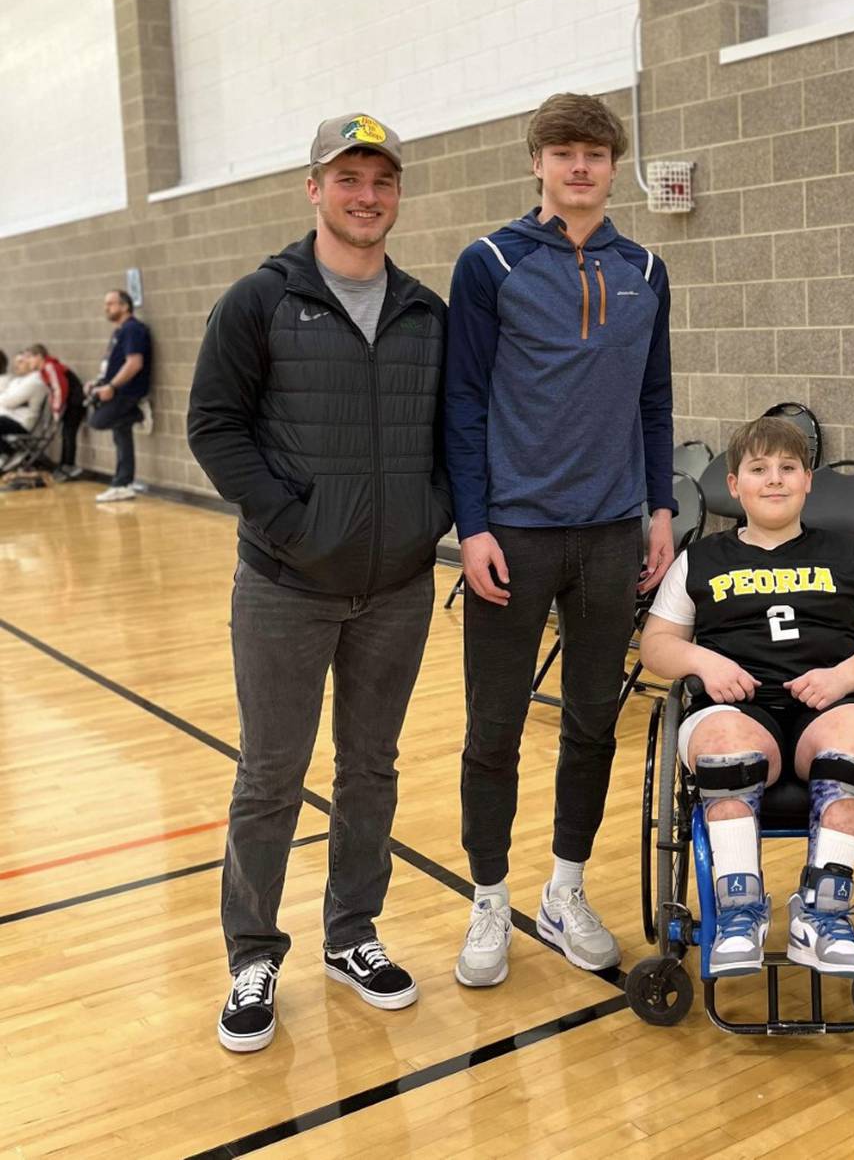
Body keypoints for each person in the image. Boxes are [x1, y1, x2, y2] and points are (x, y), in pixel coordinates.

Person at [188, 112, 452, 1053]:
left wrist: (432, 518)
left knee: (371, 769)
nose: (366, 195)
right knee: (271, 774)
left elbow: (452, 436)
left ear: (396, 195)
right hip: (285, 586)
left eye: (381, 181)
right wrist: (292, 524)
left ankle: (352, 934)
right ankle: (252, 954)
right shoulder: (259, 301)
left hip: (398, 587)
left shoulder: (427, 311)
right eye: (348, 179)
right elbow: (214, 426)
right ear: (314, 189)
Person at [447, 92, 674, 988]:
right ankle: (490, 897)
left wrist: (659, 509)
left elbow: (654, 402)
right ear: (536, 162)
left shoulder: (648, 269)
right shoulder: (489, 262)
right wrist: (472, 527)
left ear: (614, 165)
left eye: (595, 153)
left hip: (614, 535)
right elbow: (462, 404)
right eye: (562, 152)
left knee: (591, 721)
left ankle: (566, 889)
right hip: (515, 537)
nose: (579, 167)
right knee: (492, 729)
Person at [640, 417, 854, 977]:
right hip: (736, 711)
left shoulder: (848, 554)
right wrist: (702, 660)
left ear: (807, 481)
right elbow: (657, 646)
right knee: (724, 743)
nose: (775, 480)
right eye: (759, 470)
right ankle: (739, 911)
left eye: (788, 469)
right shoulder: (701, 559)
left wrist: (842, 677)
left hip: (829, 709)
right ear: (734, 484)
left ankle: (823, 913)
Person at [86, 288, 153, 502]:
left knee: (98, 421)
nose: (106, 308)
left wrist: (112, 387)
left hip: (126, 392)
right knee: (120, 433)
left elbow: (134, 363)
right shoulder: (119, 331)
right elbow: (112, 364)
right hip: (116, 389)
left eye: (111, 303)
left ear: (125, 306)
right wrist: (98, 383)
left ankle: (136, 414)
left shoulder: (132, 329)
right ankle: (123, 483)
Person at [21, 344, 85, 478]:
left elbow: (60, 389)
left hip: (74, 403)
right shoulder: (44, 370)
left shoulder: (50, 367)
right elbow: (52, 391)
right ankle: (64, 465)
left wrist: (56, 409)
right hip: (69, 403)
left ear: (39, 356)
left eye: (29, 358)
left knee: (68, 434)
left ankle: (68, 465)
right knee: (66, 434)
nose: (27, 362)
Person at [0, 348, 49, 459]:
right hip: (8, 419)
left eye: (21, 362)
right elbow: (6, 399)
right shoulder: (17, 381)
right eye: (15, 363)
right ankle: (7, 454)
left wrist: (5, 400)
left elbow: (8, 401)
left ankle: (8, 454)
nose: (16, 366)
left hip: (21, 424)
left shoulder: (35, 381)